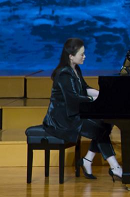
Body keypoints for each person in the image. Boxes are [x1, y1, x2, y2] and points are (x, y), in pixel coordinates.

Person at [43, 38, 123, 181]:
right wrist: (94, 99)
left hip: (74, 113)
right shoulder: (63, 74)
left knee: (106, 123)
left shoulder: (75, 69)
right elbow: (73, 98)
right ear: (71, 56)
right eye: (82, 54)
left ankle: (87, 160)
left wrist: (102, 95)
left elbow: (84, 88)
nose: (84, 56)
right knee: (100, 129)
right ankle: (115, 167)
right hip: (62, 119)